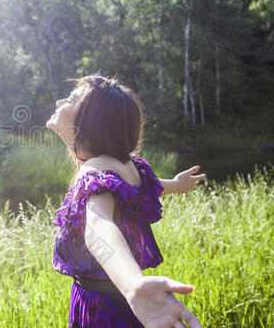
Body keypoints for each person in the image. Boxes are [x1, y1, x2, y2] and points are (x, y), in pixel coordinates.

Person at [46, 74, 206, 328]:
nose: (58, 102)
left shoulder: (95, 170)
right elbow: (144, 190)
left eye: (71, 99)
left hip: (102, 306)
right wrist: (176, 185)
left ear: (90, 120)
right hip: (121, 299)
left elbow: (98, 226)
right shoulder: (126, 163)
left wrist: (134, 286)